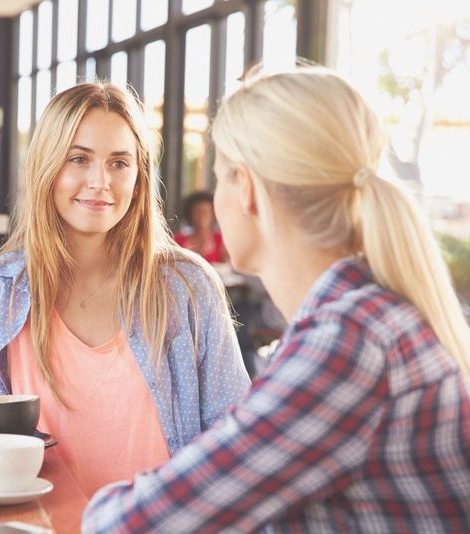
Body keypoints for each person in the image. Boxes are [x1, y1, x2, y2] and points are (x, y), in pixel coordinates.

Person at [82, 68, 470, 532]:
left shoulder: (347, 343)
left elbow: (128, 524)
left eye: (221, 177)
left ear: (246, 190)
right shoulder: (369, 316)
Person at [0, 82, 250, 498]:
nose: (100, 182)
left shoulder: (186, 287)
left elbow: (237, 440)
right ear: (47, 167)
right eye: (79, 158)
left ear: (140, 177)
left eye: (119, 163)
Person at [174, 191, 227, 264]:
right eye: (197, 212)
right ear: (190, 214)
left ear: (213, 214)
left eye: (206, 212)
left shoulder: (220, 240)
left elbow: (227, 267)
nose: (202, 216)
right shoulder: (178, 240)